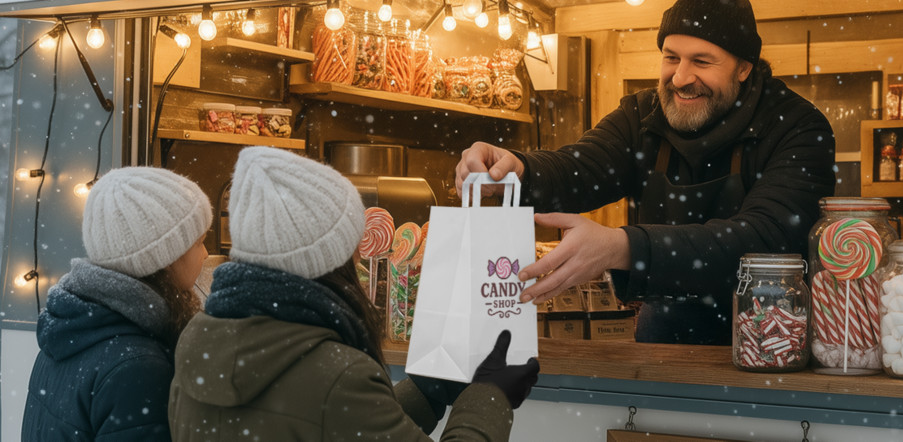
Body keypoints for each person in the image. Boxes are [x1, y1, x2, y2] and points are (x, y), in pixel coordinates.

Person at [455, 0, 836, 345]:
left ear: (743, 68)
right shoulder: (643, 114)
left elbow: (764, 240)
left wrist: (624, 248)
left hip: (771, 338)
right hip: (662, 337)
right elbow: (580, 169)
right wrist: (517, 169)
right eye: (671, 57)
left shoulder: (797, 127)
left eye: (701, 61)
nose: (681, 77)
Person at [169, 146, 539, 441]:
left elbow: (320, 423)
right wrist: (492, 396)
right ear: (330, 256)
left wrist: (425, 393)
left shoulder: (198, 341)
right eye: (352, 244)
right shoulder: (336, 374)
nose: (362, 254)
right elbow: (333, 409)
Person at [21, 167, 212, 441]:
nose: (206, 254)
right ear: (164, 257)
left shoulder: (69, 332)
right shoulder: (138, 366)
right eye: (199, 242)